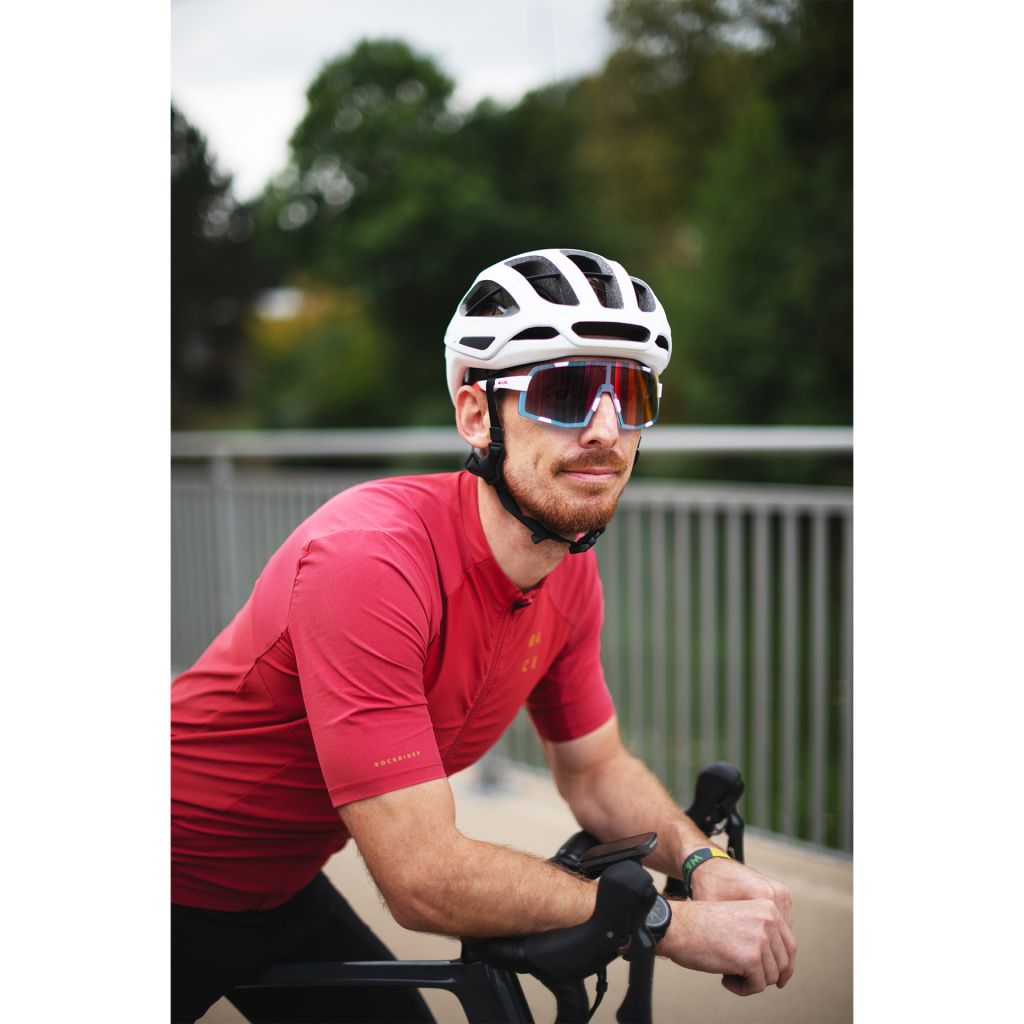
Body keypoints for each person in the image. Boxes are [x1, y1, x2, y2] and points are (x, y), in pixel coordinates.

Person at [171, 248, 796, 1023]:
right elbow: (422, 877)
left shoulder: (566, 571)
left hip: (278, 887)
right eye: (565, 392)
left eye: (630, 394)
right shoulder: (370, 560)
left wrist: (701, 863)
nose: (606, 429)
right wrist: (666, 922)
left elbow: (596, 770)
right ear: (476, 416)